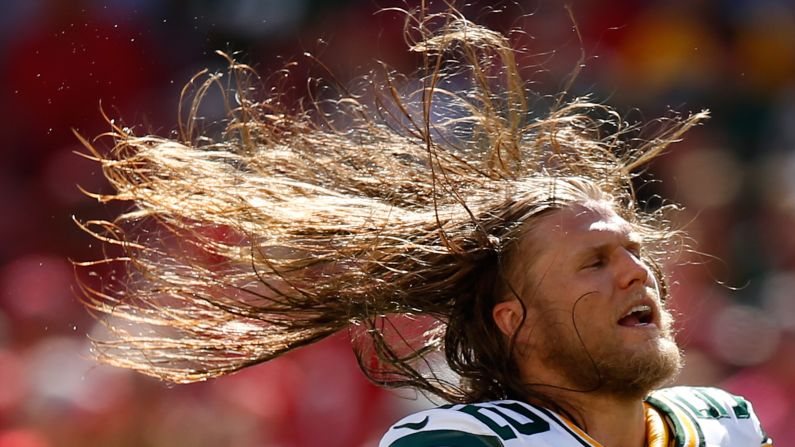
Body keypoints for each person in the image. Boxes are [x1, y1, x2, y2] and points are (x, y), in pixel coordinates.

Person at [76, 7, 771, 447]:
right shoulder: (458, 443)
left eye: (632, 249)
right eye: (592, 262)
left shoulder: (726, 421)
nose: (635, 271)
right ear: (515, 320)